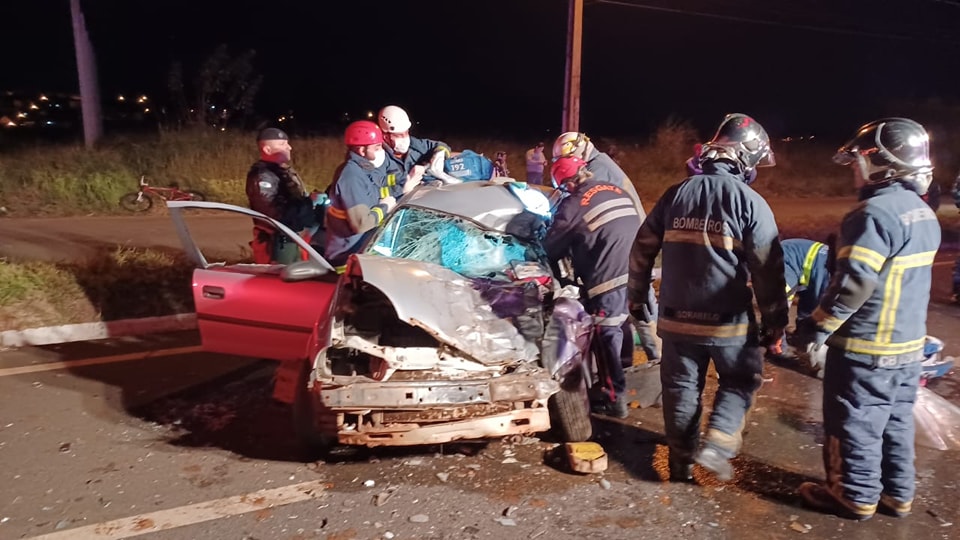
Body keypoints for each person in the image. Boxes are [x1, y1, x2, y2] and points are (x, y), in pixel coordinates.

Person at [627, 113, 788, 482]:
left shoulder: (675, 195)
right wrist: (776, 322)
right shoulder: (751, 203)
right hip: (727, 323)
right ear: (744, 157)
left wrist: (637, 299)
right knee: (740, 379)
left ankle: (681, 462)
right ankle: (717, 445)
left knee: (681, 388)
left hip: (675, 321)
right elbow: (769, 271)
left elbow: (641, 251)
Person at [796, 118, 941, 521]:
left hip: (865, 348)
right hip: (908, 348)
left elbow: (853, 285)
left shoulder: (871, 214)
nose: (855, 172)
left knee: (853, 422)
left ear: (882, 164)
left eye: (859, 162)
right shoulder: (923, 213)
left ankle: (853, 495)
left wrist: (817, 325)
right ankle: (898, 494)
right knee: (895, 422)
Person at [544, 156, 644, 418]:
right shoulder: (615, 189)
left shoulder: (573, 203)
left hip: (607, 277)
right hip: (635, 271)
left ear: (565, 183)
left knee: (605, 333)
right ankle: (622, 373)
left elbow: (552, 246)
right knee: (622, 323)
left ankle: (614, 398)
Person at [553, 131, 661, 364]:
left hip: (626, 251)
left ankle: (661, 373)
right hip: (632, 246)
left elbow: (577, 207)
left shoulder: (599, 170)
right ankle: (640, 369)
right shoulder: (599, 164)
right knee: (630, 315)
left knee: (639, 315)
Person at [324, 120, 397, 270]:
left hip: (360, 254)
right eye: (377, 147)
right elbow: (361, 224)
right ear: (361, 151)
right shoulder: (351, 176)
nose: (381, 150)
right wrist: (385, 206)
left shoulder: (366, 170)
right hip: (346, 261)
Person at [245, 127, 320, 264]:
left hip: (288, 238)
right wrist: (309, 203)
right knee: (278, 281)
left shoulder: (282, 171)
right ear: (267, 150)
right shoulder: (262, 176)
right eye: (282, 144)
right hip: (276, 244)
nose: (289, 147)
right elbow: (273, 214)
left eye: (287, 143)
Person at [768, 238, 831, 358]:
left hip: (803, 262)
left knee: (811, 307)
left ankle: (802, 339)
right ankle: (776, 348)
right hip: (786, 258)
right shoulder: (830, 279)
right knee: (780, 306)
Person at [377, 105, 455, 193]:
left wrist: (439, 154)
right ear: (386, 137)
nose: (405, 138)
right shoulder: (379, 158)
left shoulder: (415, 144)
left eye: (406, 132)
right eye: (399, 135)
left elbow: (440, 145)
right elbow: (375, 190)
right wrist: (402, 188)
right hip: (398, 204)